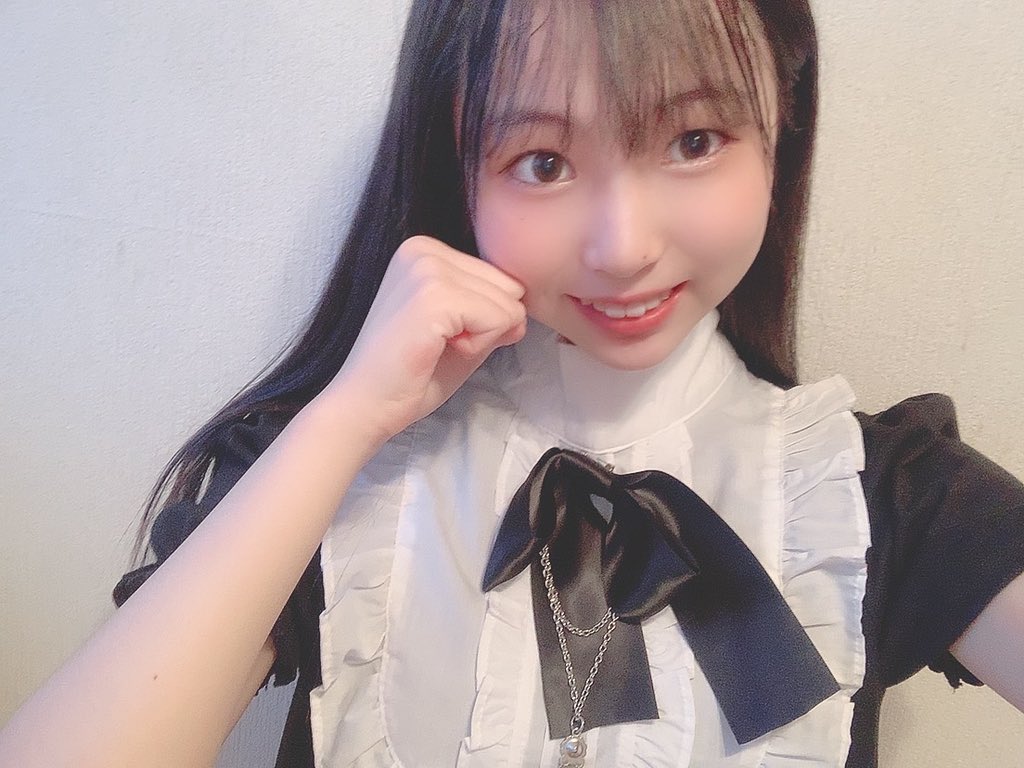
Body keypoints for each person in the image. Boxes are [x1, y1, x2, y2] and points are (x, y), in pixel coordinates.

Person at [1, 0, 1022, 766]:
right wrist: (346, 418)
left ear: (779, 130)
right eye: (542, 161)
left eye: (693, 140)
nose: (622, 247)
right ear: (456, 166)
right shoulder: (331, 484)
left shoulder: (881, 497)